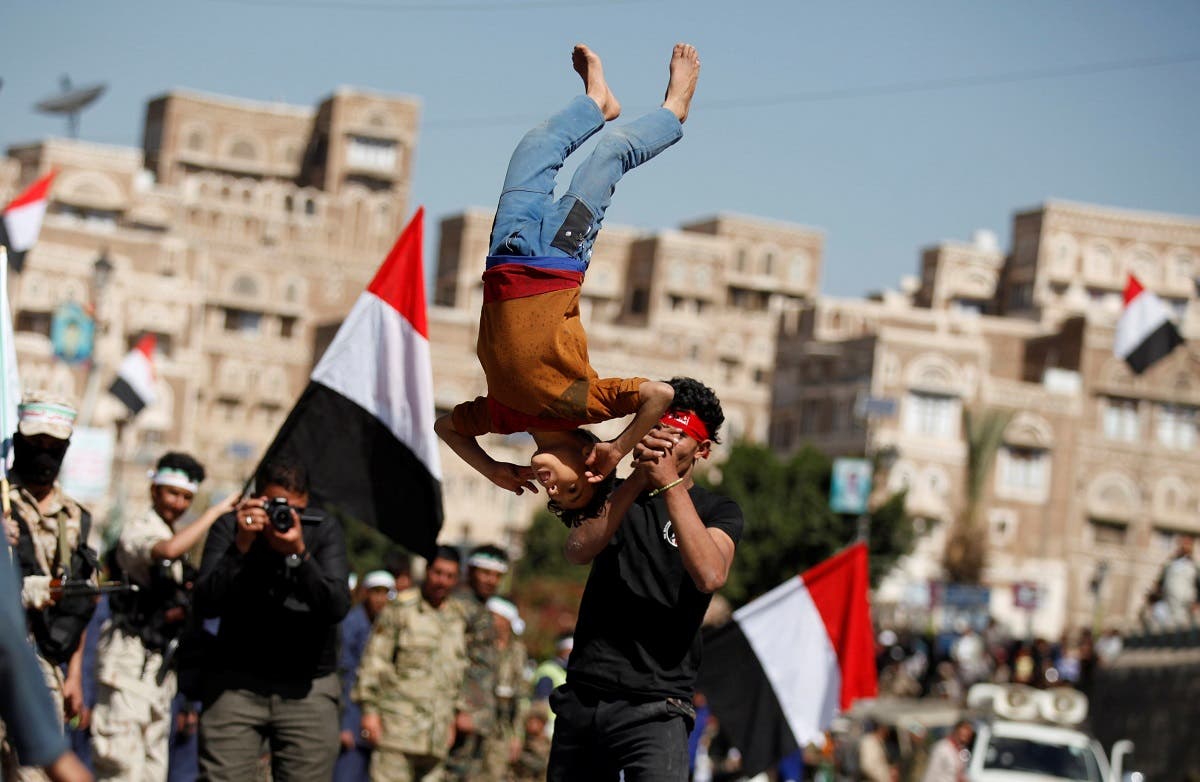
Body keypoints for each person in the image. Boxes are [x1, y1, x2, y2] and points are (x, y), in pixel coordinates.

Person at [435, 41, 703, 519]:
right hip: (560, 254)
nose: (553, 491)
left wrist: (491, 469)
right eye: (573, 491)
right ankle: (673, 112)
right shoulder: (581, 404)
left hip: (505, 255)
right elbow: (658, 394)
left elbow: (445, 428)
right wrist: (619, 447)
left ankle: (596, 102)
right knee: (611, 155)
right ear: (588, 464)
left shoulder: (501, 417)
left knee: (536, 146)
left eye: (557, 499)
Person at [548, 376, 744, 781]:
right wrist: (636, 478)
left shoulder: (717, 510)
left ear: (702, 450)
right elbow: (577, 550)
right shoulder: (612, 493)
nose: (661, 442)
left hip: (658, 707)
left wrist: (669, 483)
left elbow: (710, 574)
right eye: (655, 430)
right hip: (586, 697)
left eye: (676, 435)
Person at [193, 459, 351, 782]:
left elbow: (336, 606)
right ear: (256, 499)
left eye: (296, 508)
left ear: (306, 503)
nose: (286, 517)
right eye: (275, 506)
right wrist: (241, 546)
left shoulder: (322, 528)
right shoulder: (230, 527)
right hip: (234, 685)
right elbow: (205, 603)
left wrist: (299, 554)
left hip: (308, 687)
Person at [90, 452, 235, 781]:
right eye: (172, 493)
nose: (179, 503)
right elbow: (165, 550)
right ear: (154, 490)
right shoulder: (140, 528)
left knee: (153, 772)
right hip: (126, 665)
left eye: (187, 497)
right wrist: (213, 513)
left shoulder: (180, 540)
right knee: (121, 769)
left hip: (160, 670)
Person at [3, 393, 98, 782]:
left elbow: (80, 604)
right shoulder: (2, 501)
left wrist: (74, 674)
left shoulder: (76, 518)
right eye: (35, 444)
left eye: (54, 447)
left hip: (43, 671)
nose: (44, 455)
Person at [353, 546, 472, 782]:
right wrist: (370, 713)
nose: (442, 581)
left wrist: (455, 716)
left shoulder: (459, 617)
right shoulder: (400, 610)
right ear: (427, 571)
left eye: (450, 576)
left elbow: (459, 672)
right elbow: (374, 661)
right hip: (397, 731)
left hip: (436, 738)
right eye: (438, 573)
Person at [0, 534, 93, 782]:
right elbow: (7, 634)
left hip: (40, 667)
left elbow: (79, 614)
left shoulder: (73, 518)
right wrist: (53, 754)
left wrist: (74, 676)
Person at [445, 545, 505, 782]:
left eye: (497, 576)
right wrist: (459, 709)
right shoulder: (459, 607)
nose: (491, 581)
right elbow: (452, 660)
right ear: (469, 571)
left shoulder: (482, 610)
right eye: (485, 573)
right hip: (462, 717)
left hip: (480, 718)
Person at [335, 570, 397, 782]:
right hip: (352, 721)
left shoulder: (390, 627)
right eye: (375, 592)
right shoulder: (351, 625)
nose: (380, 599)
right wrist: (344, 726)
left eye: (386, 593)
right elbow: (344, 678)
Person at [483, 596, 529, 780]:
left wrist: (517, 736)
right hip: (478, 719)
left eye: (494, 616)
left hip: (502, 726)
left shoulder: (517, 652)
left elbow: (522, 696)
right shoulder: (481, 645)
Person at [1154, 534, 1198, 628]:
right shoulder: (1170, 564)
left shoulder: (1194, 566)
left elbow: (1198, 584)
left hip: (1186, 601)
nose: (1185, 547)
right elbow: (1160, 582)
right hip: (1169, 601)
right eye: (1183, 545)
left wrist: (1197, 602)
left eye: (1188, 545)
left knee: (1182, 624)